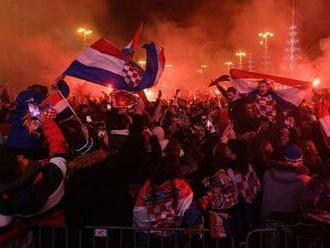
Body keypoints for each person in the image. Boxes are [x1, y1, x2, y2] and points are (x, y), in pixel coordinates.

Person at [0, 110, 67, 232]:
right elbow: (58, 147)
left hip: (39, 232)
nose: (20, 156)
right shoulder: (52, 175)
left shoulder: (5, 204)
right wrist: (46, 122)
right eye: (19, 160)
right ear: (19, 171)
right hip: (62, 225)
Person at [199, 139, 260, 244]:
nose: (225, 151)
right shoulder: (247, 166)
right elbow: (256, 186)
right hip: (245, 211)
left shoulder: (227, 171)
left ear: (233, 153)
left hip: (229, 214)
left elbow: (208, 187)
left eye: (227, 149)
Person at [133, 155, 193, 240]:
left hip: (149, 236)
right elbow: (186, 210)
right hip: (174, 236)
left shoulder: (149, 185)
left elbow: (140, 209)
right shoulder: (182, 186)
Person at [261, 145, 311, 219]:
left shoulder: (268, 173)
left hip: (266, 218)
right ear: (301, 160)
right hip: (287, 222)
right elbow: (306, 203)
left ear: (284, 158)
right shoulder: (305, 180)